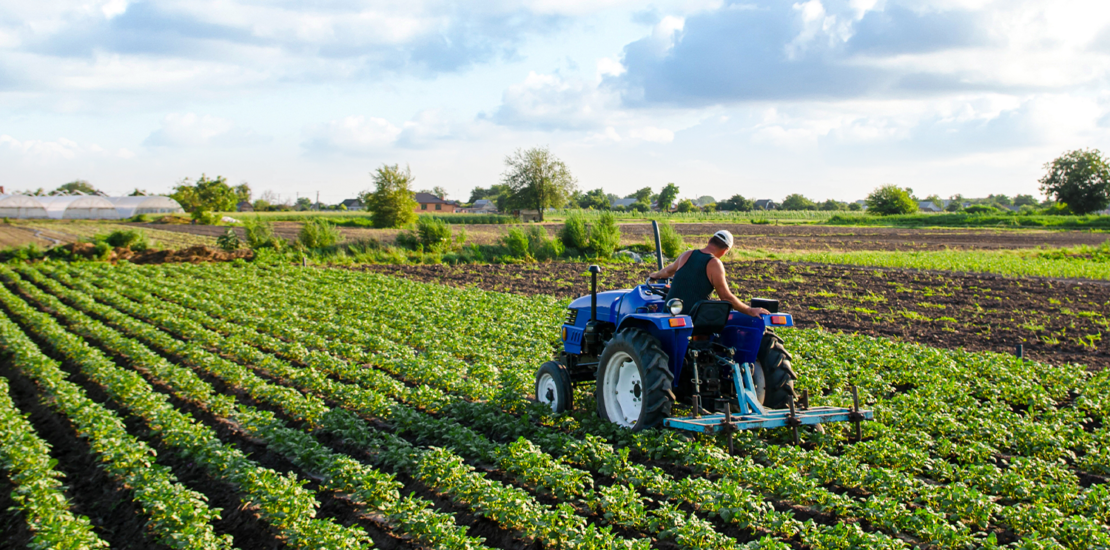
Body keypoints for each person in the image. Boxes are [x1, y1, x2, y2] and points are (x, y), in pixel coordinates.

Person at [647, 230, 769, 318]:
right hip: (695, 319)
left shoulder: (687, 254)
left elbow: (667, 271)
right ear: (726, 250)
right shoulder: (715, 264)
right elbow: (725, 297)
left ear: (709, 240)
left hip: (671, 314)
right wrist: (749, 310)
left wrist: (656, 275)